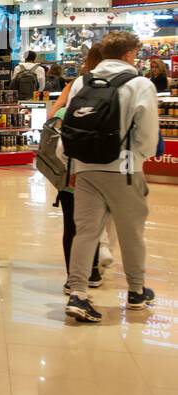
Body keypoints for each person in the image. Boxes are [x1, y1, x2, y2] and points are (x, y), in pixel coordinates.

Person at [62, 32, 159, 323]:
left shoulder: (82, 82)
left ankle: (78, 293)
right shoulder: (140, 84)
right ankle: (136, 291)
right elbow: (147, 135)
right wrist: (137, 159)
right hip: (125, 168)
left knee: (86, 232)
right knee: (131, 233)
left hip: (85, 167)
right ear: (129, 54)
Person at [48, 44, 104, 294]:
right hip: (107, 165)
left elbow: (53, 116)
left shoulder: (77, 84)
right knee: (95, 222)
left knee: (72, 224)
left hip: (73, 164)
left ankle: (73, 277)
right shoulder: (130, 83)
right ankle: (92, 270)